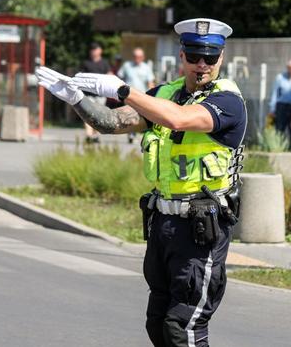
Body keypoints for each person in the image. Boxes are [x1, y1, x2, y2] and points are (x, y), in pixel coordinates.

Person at [36, 18, 247, 347]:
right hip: (163, 224)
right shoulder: (162, 95)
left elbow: (177, 118)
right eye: (193, 56)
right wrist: (76, 98)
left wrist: (124, 90)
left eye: (210, 56)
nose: (201, 65)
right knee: (158, 325)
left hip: (201, 228)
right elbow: (111, 122)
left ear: (221, 57)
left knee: (183, 327)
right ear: (182, 56)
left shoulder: (227, 101)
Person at [117, 47, 156, 143]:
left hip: (141, 96)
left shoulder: (146, 68)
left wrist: (153, 95)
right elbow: (119, 78)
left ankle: (134, 133)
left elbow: (150, 82)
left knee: (138, 116)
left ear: (143, 57)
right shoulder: (127, 66)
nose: (137, 58)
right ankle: (131, 134)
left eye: (139, 57)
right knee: (128, 115)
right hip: (128, 96)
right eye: (135, 56)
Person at [80, 42, 111, 143]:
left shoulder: (105, 63)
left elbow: (110, 75)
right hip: (88, 94)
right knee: (88, 114)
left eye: (95, 49)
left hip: (101, 95)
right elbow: (80, 77)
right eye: (92, 50)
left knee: (99, 115)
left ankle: (96, 135)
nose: (93, 52)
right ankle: (89, 135)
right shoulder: (86, 63)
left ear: (100, 51)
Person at [269, 59, 291, 147]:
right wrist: (272, 109)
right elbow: (275, 93)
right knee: (279, 129)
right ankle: (278, 147)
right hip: (281, 106)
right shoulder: (280, 77)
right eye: (289, 68)